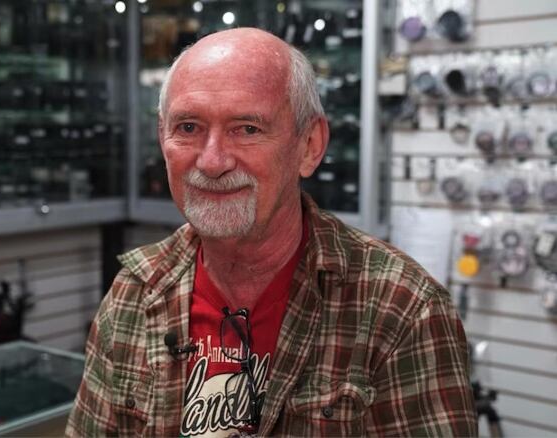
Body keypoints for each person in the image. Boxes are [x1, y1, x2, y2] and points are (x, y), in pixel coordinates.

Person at [66, 28, 477, 437]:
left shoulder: (401, 310)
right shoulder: (133, 294)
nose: (212, 162)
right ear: (162, 138)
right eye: (188, 127)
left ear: (309, 146)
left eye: (247, 129)